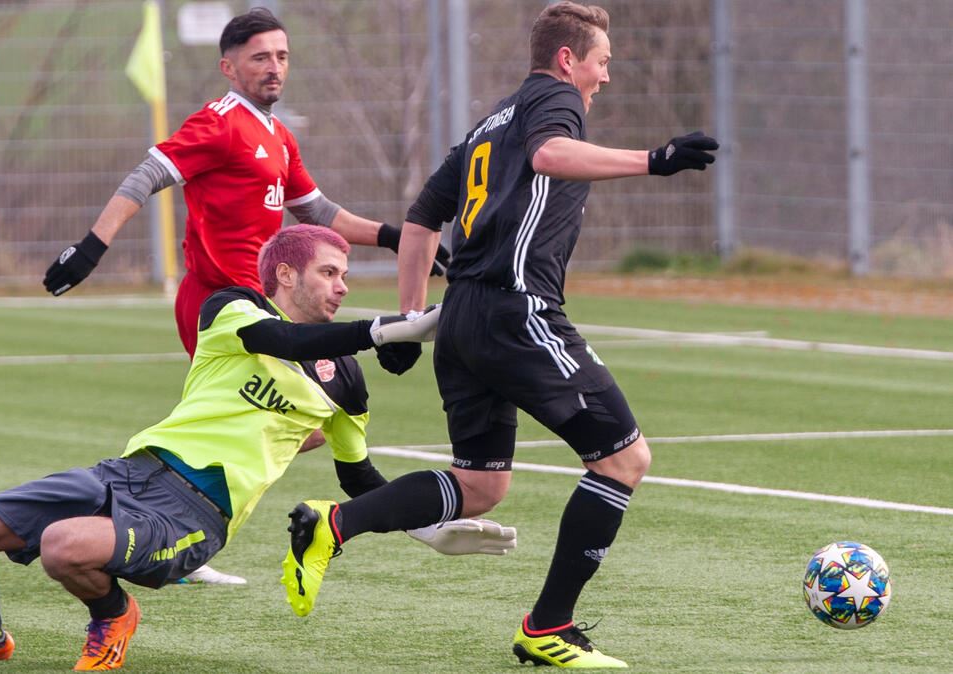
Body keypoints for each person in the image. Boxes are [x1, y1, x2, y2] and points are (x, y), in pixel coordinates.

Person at [281, 3, 718, 669]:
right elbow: (550, 153)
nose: (606, 77)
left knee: (480, 485)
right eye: (601, 62)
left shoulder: (489, 123)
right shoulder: (554, 101)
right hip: (520, 313)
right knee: (623, 461)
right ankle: (549, 628)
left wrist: (408, 314)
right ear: (568, 58)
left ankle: (333, 524)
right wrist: (654, 159)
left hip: (464, 319)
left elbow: (423, 217)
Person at [0, 226, 514, 671]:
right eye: (330, 273)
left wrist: (431, 527)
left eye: (346, 276)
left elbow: (359, 480)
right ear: (286, 274)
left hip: (195, 514)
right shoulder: (233, 308)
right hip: (128, 472)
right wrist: (389, 329)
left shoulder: (346, 381)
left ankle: (112, 614)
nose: (343, 287)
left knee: (64, 548)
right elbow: (281, 339)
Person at [43, 8, 446, 583]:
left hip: (267, 309)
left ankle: (149, 511)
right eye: (260, 58)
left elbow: (319, 212)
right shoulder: (219, 121)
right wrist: (91, 246)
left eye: (281, 56)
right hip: (221, 306)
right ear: (229, 67)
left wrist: (396, 237)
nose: (274, 67)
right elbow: (145, 176)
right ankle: (160, 523)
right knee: (249, 421)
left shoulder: (278, 135)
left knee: (293, 425)